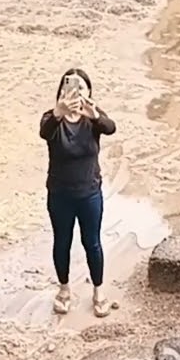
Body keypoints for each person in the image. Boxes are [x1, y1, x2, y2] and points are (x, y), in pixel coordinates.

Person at [38, 68, 117, 317]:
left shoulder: (93, 119)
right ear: (61, 91)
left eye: (81, 87)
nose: (75, 92)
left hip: (89, 194)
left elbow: (111, 128)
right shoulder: (52, 119)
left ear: (89, 92)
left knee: (92, 243)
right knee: (62, 242)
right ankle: (64, 290)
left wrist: (94, 115)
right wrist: (58, 112)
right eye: (69, 86)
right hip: (60, 194)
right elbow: (44, 132)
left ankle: (98, 291)